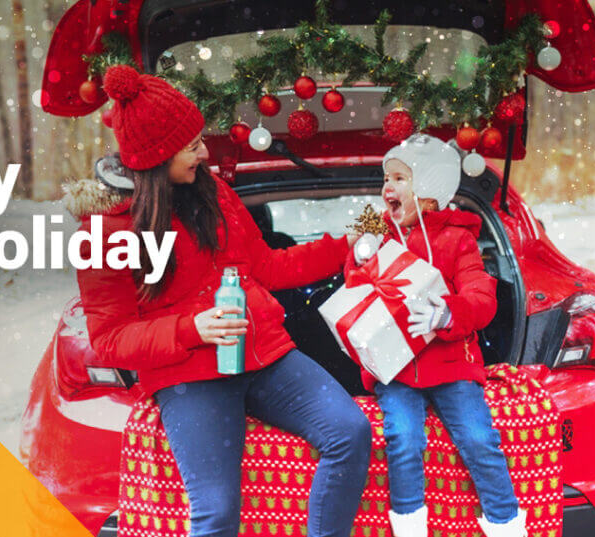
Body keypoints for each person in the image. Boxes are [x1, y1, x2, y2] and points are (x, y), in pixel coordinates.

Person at [67, 64, 372, 537]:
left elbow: (268, 267)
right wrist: (193, 329)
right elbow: (109, 339)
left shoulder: (216, 194)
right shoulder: (106, 233)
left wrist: (344, 246)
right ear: (156, 156)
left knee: (349, 433)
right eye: (190, 146)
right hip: (189, 376)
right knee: (218, 510)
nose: (204, 152)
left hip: (264, 354)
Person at [349, 134, 525, 537]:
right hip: (396, 367)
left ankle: (505, 524)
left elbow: (482, 298)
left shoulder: (458, 239)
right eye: (385, 179)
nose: (386, 188)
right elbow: (354, 288)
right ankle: (410, 526)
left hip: (451, 365)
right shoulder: (374, 229)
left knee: (480, 439)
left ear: (428, 193)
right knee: (404, 438)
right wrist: (360, 252)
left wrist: (448, 313)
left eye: (398, 178)